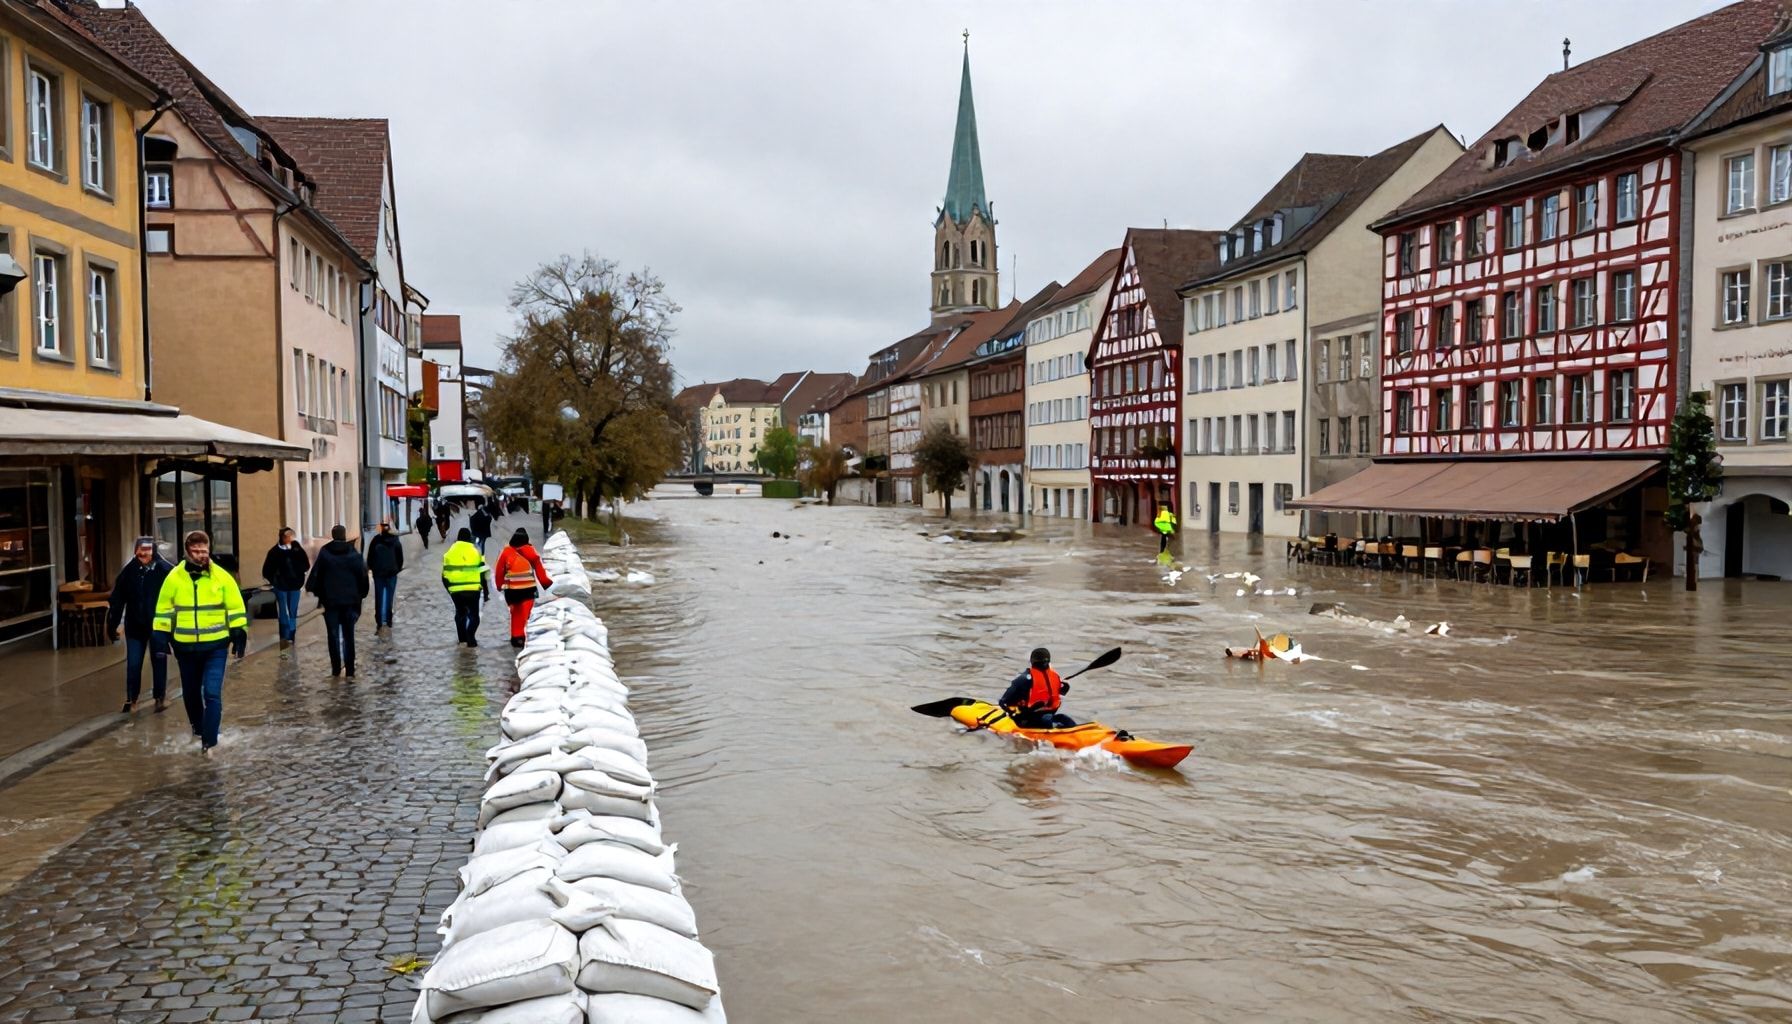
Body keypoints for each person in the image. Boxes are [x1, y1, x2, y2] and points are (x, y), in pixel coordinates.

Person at [152, 530, 248, 755]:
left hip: (215, 645)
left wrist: (239, 631)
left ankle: (210, 741)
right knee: (191, 692)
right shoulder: (174, 578)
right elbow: (164, 609)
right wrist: (160, 635)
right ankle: (198, 730)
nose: (200, 556)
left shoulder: (221, 577)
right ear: (187, 552)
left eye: (204, 551)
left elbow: (235, 607)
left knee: (212, 692)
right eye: (195, 552)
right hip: (185, 647)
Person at [106, 537, 174, 714]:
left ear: (154, 551)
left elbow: (178, 598)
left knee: (159, 660)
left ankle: (160, 697)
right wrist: (112, 625)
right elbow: (117, 600)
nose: (143, 554)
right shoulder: (129, 572)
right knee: (134, 663)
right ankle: (131, 699)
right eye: (140, 550)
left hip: (158, 626)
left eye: (147, 550)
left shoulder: (165, 571)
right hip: (135, 626)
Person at [306, 525, 370, 678]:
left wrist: (319, 594)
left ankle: (335, 668)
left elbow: (316, 576)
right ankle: (350, 669)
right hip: (350, 602)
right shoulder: (353, 554)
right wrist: (360, 595)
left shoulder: (325, 553)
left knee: (333, 635)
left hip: (331, 602)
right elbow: (362, 576)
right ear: (344, 535)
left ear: (333, 535)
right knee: (349, 636)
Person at [494, 528, 553, 648]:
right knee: (525, 614)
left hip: (511, 591)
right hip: (528, 590)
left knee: (515, 613)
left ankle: (516, 638)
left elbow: (499, 571)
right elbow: (539, 569)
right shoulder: (531, 551)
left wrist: (499, 585)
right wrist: (546, 584)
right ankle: (525, 636)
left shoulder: (506, 552)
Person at [999, 647, 1074, 729]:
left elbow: (1004, 702)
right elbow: (1061, 692)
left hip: (1029, 721)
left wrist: (1011, 712)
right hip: (1049, 715)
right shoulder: (1056, 677)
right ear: (1049, 661)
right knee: (1063, 718)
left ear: (1032, 661)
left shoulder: (1024, 679)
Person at [260, 527, 309, 647]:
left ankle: (291, 634)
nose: (290, 539)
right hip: (281, 586)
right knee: (283, 611)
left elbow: (306, 564)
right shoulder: (274, 552)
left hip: (294, 585)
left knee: (293, 611)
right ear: (282, 538)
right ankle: (284, 636)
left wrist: (299, 573)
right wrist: (274, 580)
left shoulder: (297, 549)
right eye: (288, 537)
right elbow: (266, 570)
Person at [441, 526, 490, 647]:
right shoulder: (476, 552)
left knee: (460, 613)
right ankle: (470, 636)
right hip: (473, 590)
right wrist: (486, 591)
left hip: (456, 591)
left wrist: (450, 590)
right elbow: (483, 573)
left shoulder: (449, 554)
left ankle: (462, 639)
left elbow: (444, 576)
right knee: (474, 616)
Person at [366, 520, 406, 630]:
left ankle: (379, 621)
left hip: (378, 574)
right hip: (391, 574)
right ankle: (388, 620)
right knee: (389, 597)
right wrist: (397, 569)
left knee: (379, 597)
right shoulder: (395, 541)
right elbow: (400, 558)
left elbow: (370, 556)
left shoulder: (375, 540)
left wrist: (371, 568)